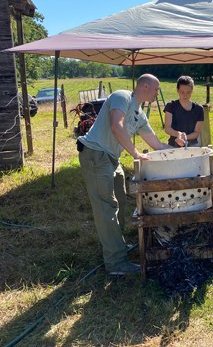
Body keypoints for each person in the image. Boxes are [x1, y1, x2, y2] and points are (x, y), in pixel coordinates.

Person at [77, 74, 184, 275]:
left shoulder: (140, 114)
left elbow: (155, 144)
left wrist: (176, 148)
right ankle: (116, 263)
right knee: (106, 208)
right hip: (95, 155)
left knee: (120, 201)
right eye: (156, 89)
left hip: (111, 159)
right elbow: (116, 125)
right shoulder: (122, 97)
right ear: (145, 86)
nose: (157, 93)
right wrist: (134, 153)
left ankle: (116, 245)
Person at [163, 75, 205, 148]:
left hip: (193, 146)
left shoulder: (199, 109)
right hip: (173, 145)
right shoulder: (170, 106)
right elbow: (167, 128)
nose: (185, 95)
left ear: (192, 90)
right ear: (177, 90)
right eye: (182, 92)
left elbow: (196, 133)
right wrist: (179, 134)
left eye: (188, 92)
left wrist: (184, 138)